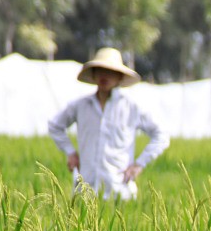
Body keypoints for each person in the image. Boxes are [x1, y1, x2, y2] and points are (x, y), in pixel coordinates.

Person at [48, 47, 169, 200]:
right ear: (93, 74)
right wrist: (70, 152)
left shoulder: (131, 108)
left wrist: (139, 165)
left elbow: (161, 135)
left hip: (119, 192)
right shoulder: (81, 106)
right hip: (86, 192)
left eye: (110, 71)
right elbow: (55, 126)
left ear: (120, 77)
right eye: (100, 70)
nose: (104, 76)